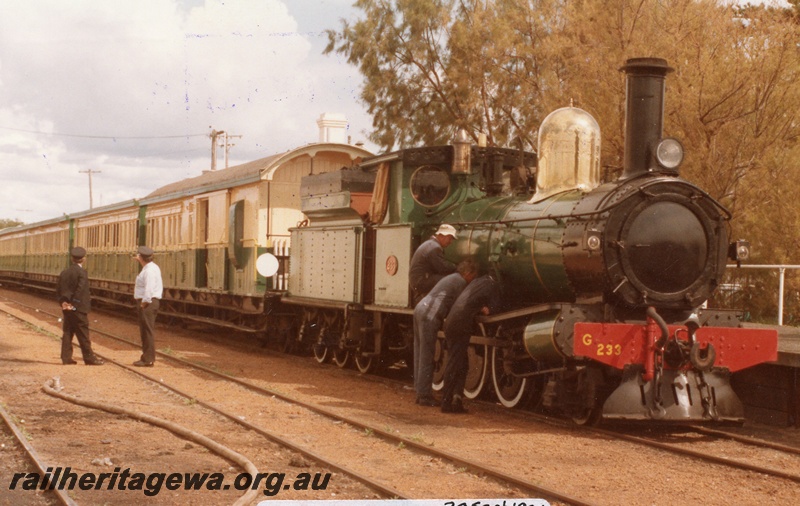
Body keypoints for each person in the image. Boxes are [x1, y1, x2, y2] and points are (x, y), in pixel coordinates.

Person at [412, 257, 479, 406]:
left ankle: (419, 390)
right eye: (473, 276)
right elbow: (462, 304)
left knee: (419, 352)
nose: (472, 280)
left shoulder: (451, 278)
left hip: (420, 309)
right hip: (430, 314)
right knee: (427, 355)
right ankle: (424, 396)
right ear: (468, 273)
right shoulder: (460, 283)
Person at [440, 274, 501, 414]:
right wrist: (487, 309)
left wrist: (479, 307)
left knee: (462, 363)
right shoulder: (492, 286)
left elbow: (471, 301)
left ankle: (456, 401)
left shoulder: (476, 282)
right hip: (460, 325)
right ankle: (446, 402)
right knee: (454, 364)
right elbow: (494, 309)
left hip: (450, 321)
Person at [56, 247, 104, 365]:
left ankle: (66, 358)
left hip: (67, 306)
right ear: (84, 259)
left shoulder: (64, 272)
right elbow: (80, 291)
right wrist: (73, 305)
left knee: (68, 331)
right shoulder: (82, 273)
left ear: (72, 258)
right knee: (83, 333)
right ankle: (89, 358)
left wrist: (63, 302)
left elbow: (59, 289)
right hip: (78, 308)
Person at [409, 224, 458, 305]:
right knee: (451, 280)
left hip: (418, 280)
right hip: (421, 281)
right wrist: (456, 267)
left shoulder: (430, 244)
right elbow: (442, 268)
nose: (450, 242)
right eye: (450, 238)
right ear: (442, 236)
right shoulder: (434, 247)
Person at [133, 246, 163, 367]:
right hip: (150, 302)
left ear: (141, 257)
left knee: (147, 331)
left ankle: (148, 359)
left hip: (148, 303)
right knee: (146, 330)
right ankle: (146, 357)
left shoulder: (149, 271)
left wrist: (144, 302)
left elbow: (149, 288)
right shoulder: (151, 267)